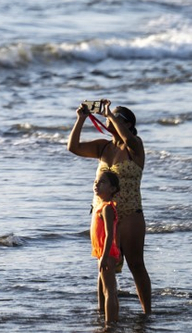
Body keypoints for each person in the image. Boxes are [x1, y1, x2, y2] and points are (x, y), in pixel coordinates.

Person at [67, 100, 152, 314]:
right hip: (104, 215)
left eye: (114, 117)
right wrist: (81, 119)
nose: (107, 118)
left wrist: (111, 116)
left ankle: (147, 314)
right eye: (107, 116)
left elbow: (128, 138)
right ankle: (103, 314)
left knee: (136, 265)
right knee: (104, 268)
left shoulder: (135, 146)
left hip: (130, 214)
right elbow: (73, 147)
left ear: (128, 125)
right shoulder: (103, 146)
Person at [92, 170, 122, 325]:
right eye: (96, 182)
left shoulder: (107, 208)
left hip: (107, 253)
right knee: (105, 288)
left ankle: (110, 323)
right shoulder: (101, 206)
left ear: (112, 189)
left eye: (102, 182)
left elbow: (110, 234)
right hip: (104, 253)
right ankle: (105, 316)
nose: (97, 184)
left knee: (109, 290)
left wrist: (105, 256)